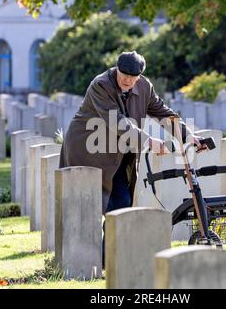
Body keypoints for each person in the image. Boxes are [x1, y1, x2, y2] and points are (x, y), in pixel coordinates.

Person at [58, 51, 207, 265]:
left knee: (121, 202)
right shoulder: (100, 85)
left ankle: (105, 261)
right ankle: (95, 260)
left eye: (132, 76)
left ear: (140, 75)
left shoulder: (144, 86)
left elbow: (163, 112)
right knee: (89, 206)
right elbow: (117, 121)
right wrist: (148, 141)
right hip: (88, 151)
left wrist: (187, 134)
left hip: (118, 153)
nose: (127, 80)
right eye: (123, 74)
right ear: (116, 69)